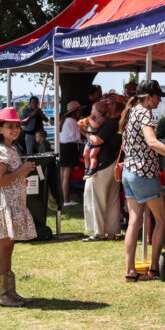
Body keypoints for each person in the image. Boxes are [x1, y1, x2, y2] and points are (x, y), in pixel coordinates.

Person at [119, 80, 165, 282]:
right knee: (161, 219)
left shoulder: (131, 112)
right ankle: (154, 268)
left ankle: (130, 271)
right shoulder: (144, 113)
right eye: (158, 97)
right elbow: (152, 142)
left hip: (129, 172)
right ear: (148, 97)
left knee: (134, 222)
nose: (159, 101)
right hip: (143, 173)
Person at [0, 108, 36, 307]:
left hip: (12, 205)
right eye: (10, 126)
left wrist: (21, 175)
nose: (15, 130)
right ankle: (0, 294)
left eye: (17, 126)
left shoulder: (10, 149)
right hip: (3, 206)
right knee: (2, 247)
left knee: (8, 247)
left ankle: (9, 291)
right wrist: (22, 171)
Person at [81, 100, 121, 242]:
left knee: (96, 198)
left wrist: (86, 132)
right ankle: (112, 231)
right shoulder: (116, 122)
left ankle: (99, 233)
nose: (107, 104)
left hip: (103, 166)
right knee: (112, 200)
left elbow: (97, 140)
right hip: (113, 163)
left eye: (110, 102)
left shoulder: (109, 123)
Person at [58, 101, 84, 207]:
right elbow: (76, 137)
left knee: (62, 176)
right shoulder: (72, 121)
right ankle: (66, 200)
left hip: (62, 148)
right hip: (69, 148)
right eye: (79, 110)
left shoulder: (65, 120)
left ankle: (62, 198)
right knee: (66, 177)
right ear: (75, 111)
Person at [80, 102, 107, 177]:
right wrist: (83, 123)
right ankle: (87, 168)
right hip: (89, 139)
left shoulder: (101, 118)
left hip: (96, 139)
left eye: (92, 109)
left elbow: (95, 125)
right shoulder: (92, 118)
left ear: (98, 111)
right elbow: (85, 126)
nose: (91, 111)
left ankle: (92, 169)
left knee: (92, 155)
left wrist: (90, 119)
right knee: (85, 154)